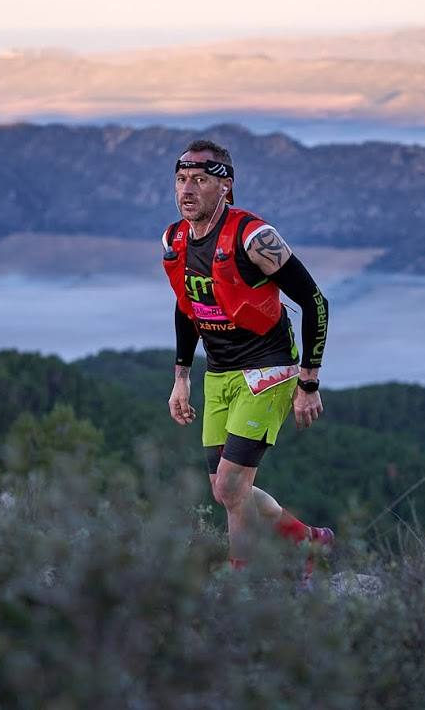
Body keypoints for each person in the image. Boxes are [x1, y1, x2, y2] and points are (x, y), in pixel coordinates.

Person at [162, 138, 333, 576]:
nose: (187, 190)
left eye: (199, 180)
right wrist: (181, 376)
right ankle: (308, 542)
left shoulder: (255, 238)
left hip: (268, 368)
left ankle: (242, 589)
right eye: (181, 180)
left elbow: (315, 301)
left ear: (226, 187)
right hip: (217, 373)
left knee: (234, 486)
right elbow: (187, 305)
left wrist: (309, 382)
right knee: (224, 488)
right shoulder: (175, 240)